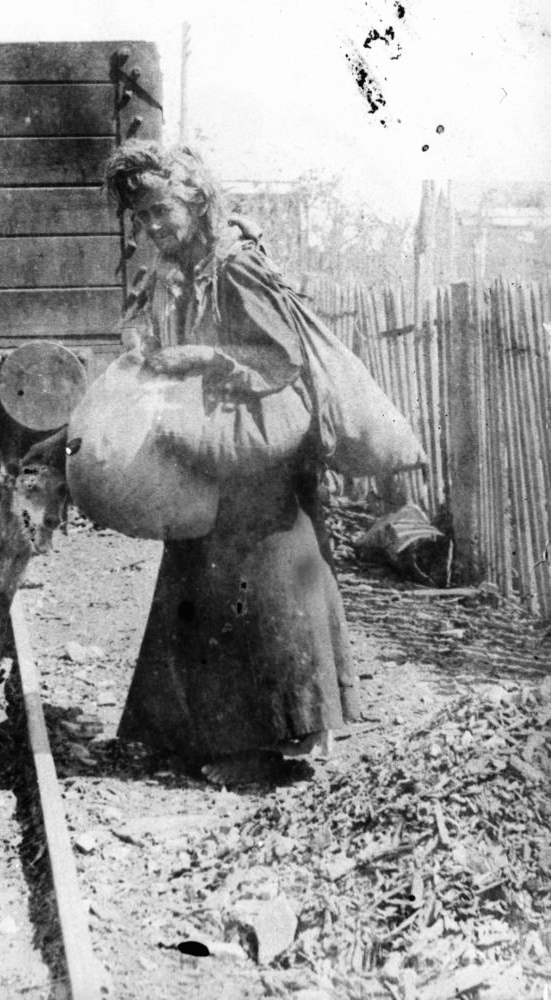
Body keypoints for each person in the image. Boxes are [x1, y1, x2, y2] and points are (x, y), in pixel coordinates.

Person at [103, 140, 360, 781]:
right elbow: (149, 333)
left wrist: (206, 359)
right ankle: (201, 736)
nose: (151, 227)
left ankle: (272, 746)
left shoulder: (236, 267)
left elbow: (283, 358)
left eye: (161, 211)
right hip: (210, 446)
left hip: (258, 455)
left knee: (265, 586)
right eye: (141, 217)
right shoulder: (174, 271)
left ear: (195, 201)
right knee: (200, 580)